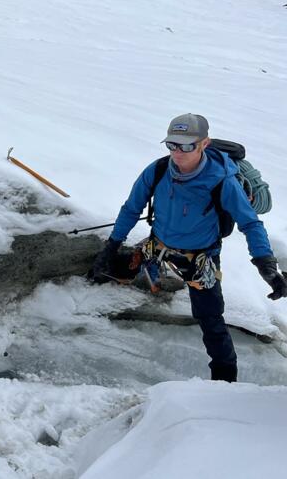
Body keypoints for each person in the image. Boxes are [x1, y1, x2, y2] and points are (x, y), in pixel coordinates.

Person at [90, 113, 287, 382]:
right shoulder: (158, 170)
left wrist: (265, 263)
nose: (177, 153)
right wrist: (111, 246)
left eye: (186, 146)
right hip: (158, 245)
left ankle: (225, 381)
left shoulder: (222, 180)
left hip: (200, 259)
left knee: (210, 320)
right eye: (172, 145)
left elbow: (250, 223)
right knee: (116, 267)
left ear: (204, 144)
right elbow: (131, 208)